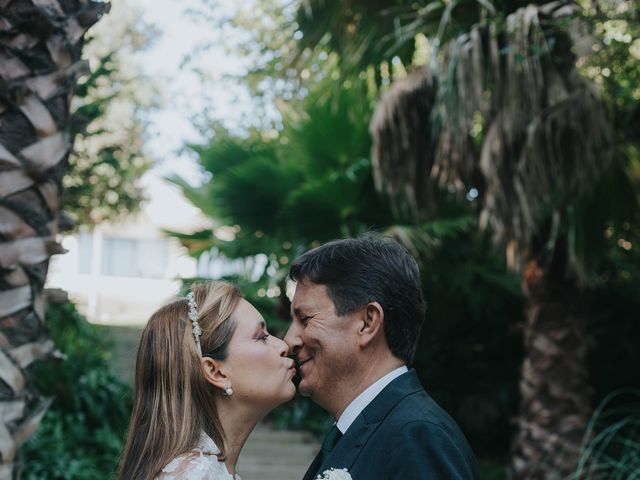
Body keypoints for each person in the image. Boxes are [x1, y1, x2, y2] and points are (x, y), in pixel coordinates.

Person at [284, 234, 480, 480]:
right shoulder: (366, 429)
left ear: (367, 322)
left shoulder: (417, 435)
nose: (289, 341)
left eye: (305, 319)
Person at [117, 281, 296, 479]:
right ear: (216, 372)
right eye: (261, 336)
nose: (283, 346)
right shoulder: (195, 474)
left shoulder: (207, 471)